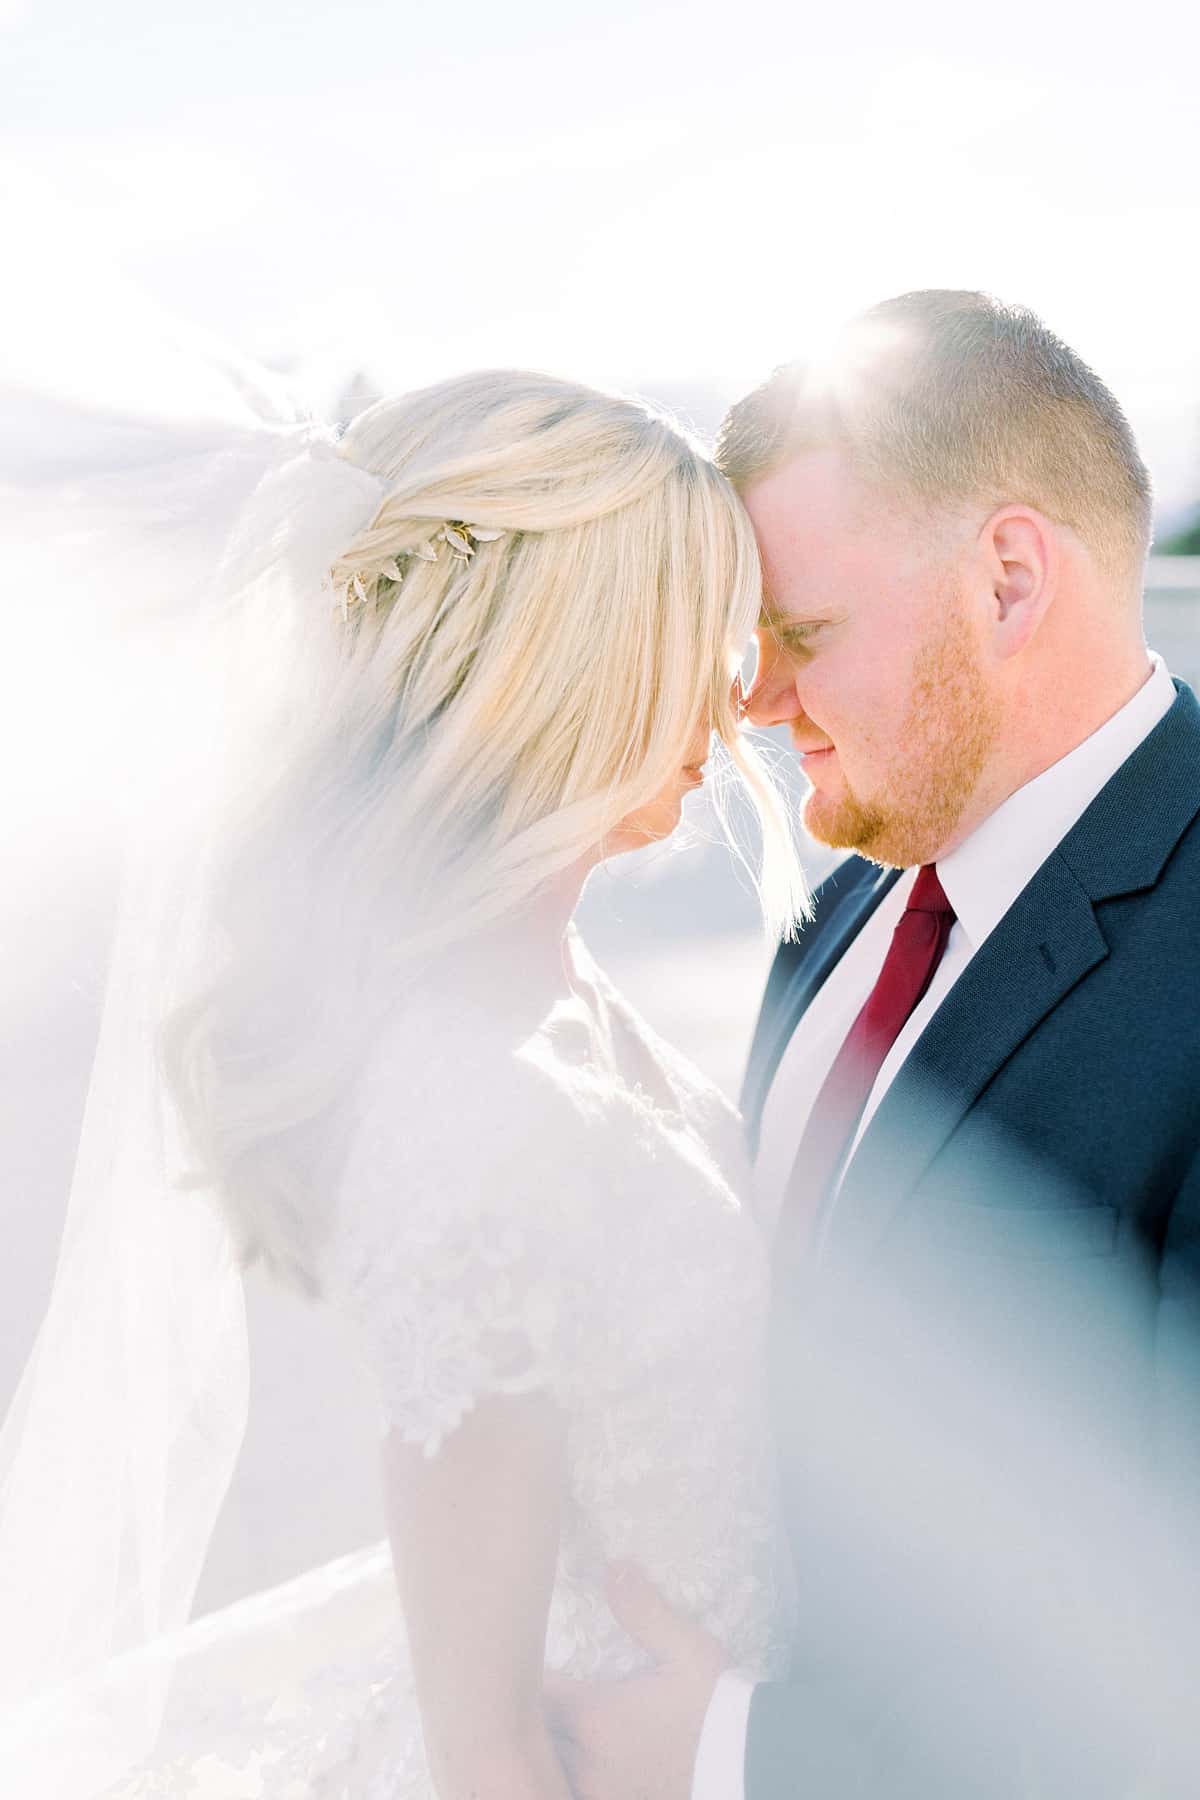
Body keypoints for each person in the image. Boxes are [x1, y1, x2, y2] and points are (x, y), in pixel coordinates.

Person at [0, 359, 809, 1797]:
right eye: (703, 641)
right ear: (578, 657)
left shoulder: (543, 992)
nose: (739, 703)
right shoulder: (477, 1102)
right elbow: (483, 1741)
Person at [546, 291, 1200, 1798]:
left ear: (1012, 581)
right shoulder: (831, 922)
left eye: (804, 636)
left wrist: (737, 1755)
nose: (757, 703)